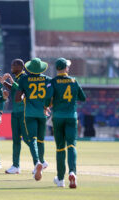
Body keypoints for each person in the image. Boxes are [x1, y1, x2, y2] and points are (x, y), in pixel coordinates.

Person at [45, 58, 86, 188]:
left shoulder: (53, 82)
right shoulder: (74, 81)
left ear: (57, 68)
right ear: (66, 68)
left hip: (57, 117)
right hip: (71, 117)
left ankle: (61, 179)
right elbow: (83, 97)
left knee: (60, 148)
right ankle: (73, 172)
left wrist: (49, 105)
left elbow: (47, 99)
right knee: (72, 146)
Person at [15, 58, 51, 181]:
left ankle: (37, 163)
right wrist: (47, 106)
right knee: (41, 140)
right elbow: (53, 96)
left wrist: (24, 95)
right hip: (42, 113)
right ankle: (42, 161)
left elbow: (17, 99)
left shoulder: (24, 79)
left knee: (32, 139)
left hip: (30, 113)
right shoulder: (47, 80)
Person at [2, 59, 30, 174]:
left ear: (20, 66)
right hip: (15, 112)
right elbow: (13, 89)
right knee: (16, 140)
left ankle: (39, 161)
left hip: (23, 112)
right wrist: (3, 82)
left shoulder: (24, 77)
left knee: (28, 139)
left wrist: (9, 80)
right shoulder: (18, 78)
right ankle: (16, 165)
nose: (11, 67)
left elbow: (19, 88)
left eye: (13, 65)